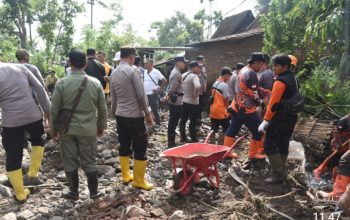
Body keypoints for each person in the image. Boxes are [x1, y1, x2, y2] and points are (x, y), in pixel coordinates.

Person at [50, 49, 107, 200]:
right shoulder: (95, 83)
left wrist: (53, 129)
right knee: (89, 160)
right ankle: (94, 192)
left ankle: (73, 192)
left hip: (66, 130)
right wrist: (101, 127)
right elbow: (102, 108)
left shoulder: (61, 83)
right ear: (86, 63)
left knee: (69, 159)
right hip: (88, 129)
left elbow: (54, 108)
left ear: (69, 62)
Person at [0, 63, 50, 202]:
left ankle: (20, 194)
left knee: (13, 155)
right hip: (33, 114)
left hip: (11, 120)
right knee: (38, 140)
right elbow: (40, 88)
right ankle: (33, 174)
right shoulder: (20, 67)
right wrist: (47, 111)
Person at [110, 47, 154, 190]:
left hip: (120, 115)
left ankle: (125, 175)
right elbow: (141, 95)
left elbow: (113, 97)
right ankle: (139, 180)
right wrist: (147, 113)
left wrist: (113, 113)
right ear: (131, 57)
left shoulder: (114, 72)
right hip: (134, 116)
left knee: (124, 144)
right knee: (140, 146)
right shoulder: (132, 71)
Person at [258, 54, 300, 183]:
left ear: (285, 67)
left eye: (276, 66)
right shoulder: (293, 78)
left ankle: (278, 173)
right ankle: (282, 170)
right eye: (273, 66)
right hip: (291, 116)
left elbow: (273, 103)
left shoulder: (280, 82)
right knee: (283, 142)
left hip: (280, 118)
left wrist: (265, 120)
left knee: (269, 144)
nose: (274, 68)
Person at [224, 52, 267, 169]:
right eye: (262, 64)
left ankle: (226, 152)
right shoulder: (251, 74)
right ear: (257, 63)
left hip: (236, 105)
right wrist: (262, 102)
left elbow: (249, 88)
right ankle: (254, 154)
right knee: (259, 129)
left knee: (233, 128)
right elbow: (253, 93)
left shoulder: (243, 70)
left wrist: (261, 90)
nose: (262, 67)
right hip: (246, 108)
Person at [318, 115, 350, 200]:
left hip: (347, 146)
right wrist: (339, 144)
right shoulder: (344, 121)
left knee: (345, 162)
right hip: (341, 145)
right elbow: (336, 132)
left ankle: (339, 194)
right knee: (338, 162)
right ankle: (336, 186)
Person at [167, 56, 187, 148]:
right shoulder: (177, 74)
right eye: (183, 62)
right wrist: (168, 97)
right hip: (176, 102)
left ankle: (171, 141)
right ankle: (171, 143)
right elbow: (172, 89)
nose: (184, 64)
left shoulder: (174, 72)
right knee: (173, 122)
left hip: (174, 101)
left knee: (172, 121)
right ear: (178, 63)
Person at [209, 67, 232, 145]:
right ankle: (220, 144)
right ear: (225, 75)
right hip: (220, 110)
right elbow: (226, 99)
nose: (229, 78)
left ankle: (211, 144)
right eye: (229, 76)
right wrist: (227, 109)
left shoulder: (215, 83)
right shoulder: (223, 85)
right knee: (226, 127)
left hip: (213, 109)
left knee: (214, 128)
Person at [180, 61, 202, 142]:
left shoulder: (183, 75)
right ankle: (193, 138)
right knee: (193, 121)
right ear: (194, 68)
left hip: (183, 101)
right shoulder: (194, 76)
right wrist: (195, 95)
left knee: (183, 120)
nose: (199, 69)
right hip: (193, 103)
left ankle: (183, 137)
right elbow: (198, 86)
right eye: (198, 67)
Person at [143, 59, 167, 127]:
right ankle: (149, 123)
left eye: (146, 63)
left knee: (155, 110)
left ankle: (158, 124)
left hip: (153, 95)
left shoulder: (156, 72)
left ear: (151, 64)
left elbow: (165, 80)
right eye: (144, 63)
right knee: (147, 110)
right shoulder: (145, 72)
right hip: (145, 94)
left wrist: (159, 90)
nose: (145, 65)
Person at [196, 55, 207, 130]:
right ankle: (196, 123)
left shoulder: (203, 68)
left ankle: (199, 122)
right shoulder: (194, 68)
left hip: (202, 91)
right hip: (197, 92)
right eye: (202, 61)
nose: (204, 62)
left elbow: (205, 78)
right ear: (198, 61)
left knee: (201, 107)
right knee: (197, 108)